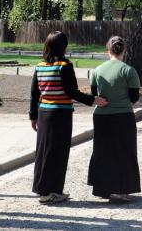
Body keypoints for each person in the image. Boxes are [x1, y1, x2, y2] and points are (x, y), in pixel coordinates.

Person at [30, 31, 108, 204]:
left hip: (43, 113)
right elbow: (72, 92)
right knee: (58, 153)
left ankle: (41, 188)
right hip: (60, 114)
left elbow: (34, 93)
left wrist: (33, 116)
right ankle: (52, 191)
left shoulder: (40, 65)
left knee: (43, 152)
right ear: (63, 46)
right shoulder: (64, 66)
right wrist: (94, 100)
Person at [87, 36, 141, 202]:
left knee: (103, 152)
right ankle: (121, 188)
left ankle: (103, 188)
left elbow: (94, 95)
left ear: (107, 51)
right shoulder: (129, 70)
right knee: (124, 151)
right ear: (124, 50)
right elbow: (134, 97)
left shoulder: (96, 71)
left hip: (101, 116)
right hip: (123, 115)